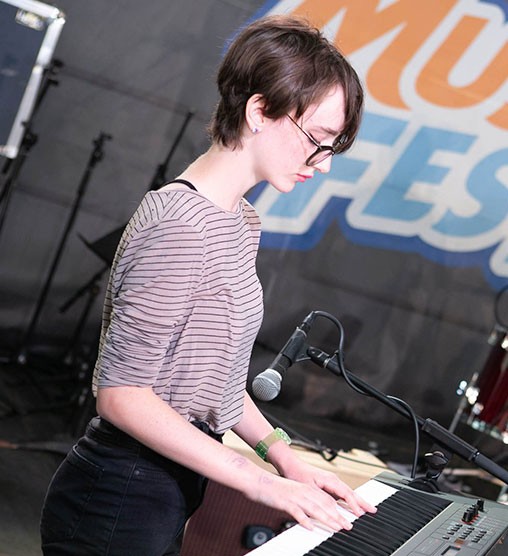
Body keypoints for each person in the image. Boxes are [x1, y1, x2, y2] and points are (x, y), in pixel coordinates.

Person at [40, 15, 375, 555]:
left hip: (167, 490)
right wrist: (261, 483)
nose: (324, 164)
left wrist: (284, 458)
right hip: (119, 494)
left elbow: (215, 379)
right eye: (317, 140)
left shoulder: (240, 221)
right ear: (259, 111)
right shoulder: (179, 223)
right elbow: (122, 396)